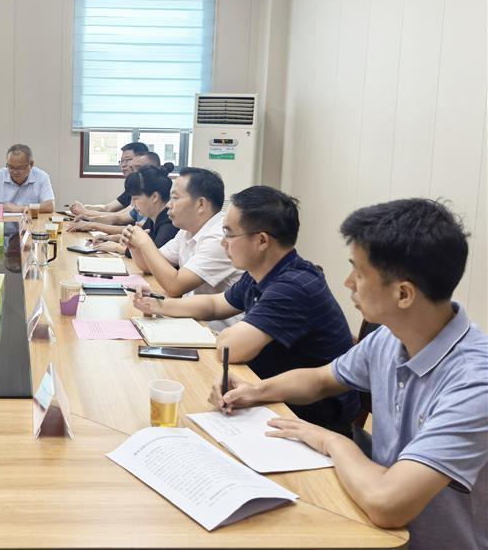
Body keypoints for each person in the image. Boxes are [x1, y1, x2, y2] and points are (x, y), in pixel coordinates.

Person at [209, 199, 487, 549]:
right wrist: (254, 391)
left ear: (403, 294)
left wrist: (334, 441)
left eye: (359, 272)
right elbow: (320, 380)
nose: (348, 282)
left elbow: (388, 504)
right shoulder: (391, 337)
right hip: (369, 523)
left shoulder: (474, 383)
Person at [133, 185, 359, 432]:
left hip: (310, 418)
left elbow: (230, 348)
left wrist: (226, 336)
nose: (223, 243)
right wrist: (160, 304)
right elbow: (214, 304)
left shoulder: (293, 286)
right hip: (271, 393)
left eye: (229, 234)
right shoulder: (262, 272)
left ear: (261, 241)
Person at [123, 167, 242, 331]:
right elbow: (148, 266)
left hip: (217, 331)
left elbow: (175, 286)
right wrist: (134, 246)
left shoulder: (218, 238)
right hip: (193, 320)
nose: (168, 205)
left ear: (201, 204)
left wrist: (144, 242)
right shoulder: (187, 230)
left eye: (175, 198)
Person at [69, 151, 165, 236]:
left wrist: (89, 220)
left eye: (139, 168)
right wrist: (88, 219)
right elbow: (118, 218)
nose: (134, 172)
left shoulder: (154, 200)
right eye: (132, 168)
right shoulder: (138, 191)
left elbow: (135, 231)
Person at [91, 164, 178, 256]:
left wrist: (117, 248)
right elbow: (136, 239)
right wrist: (109, 238)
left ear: (154, 197)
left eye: (135, 198)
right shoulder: (153, 218)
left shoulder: (169, 224)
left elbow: (153, 255)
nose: (132, 204)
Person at [70, 142, 149, 217]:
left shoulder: (146, 185)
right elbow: (107, 208)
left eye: (128, 160)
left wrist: (84, 212)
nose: (123, 165)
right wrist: (84, 207)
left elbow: (120, 217)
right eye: (121, 161)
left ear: (142, 160)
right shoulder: (132, 185)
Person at [0, 144, 55, 213]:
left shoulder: (41, 177)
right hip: (1, 224)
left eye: (19, 168)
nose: (14, 172)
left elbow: (50, 206)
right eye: (10, 167)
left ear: (31, 164)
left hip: (30, 223)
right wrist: (0, 208)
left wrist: (19, 209)